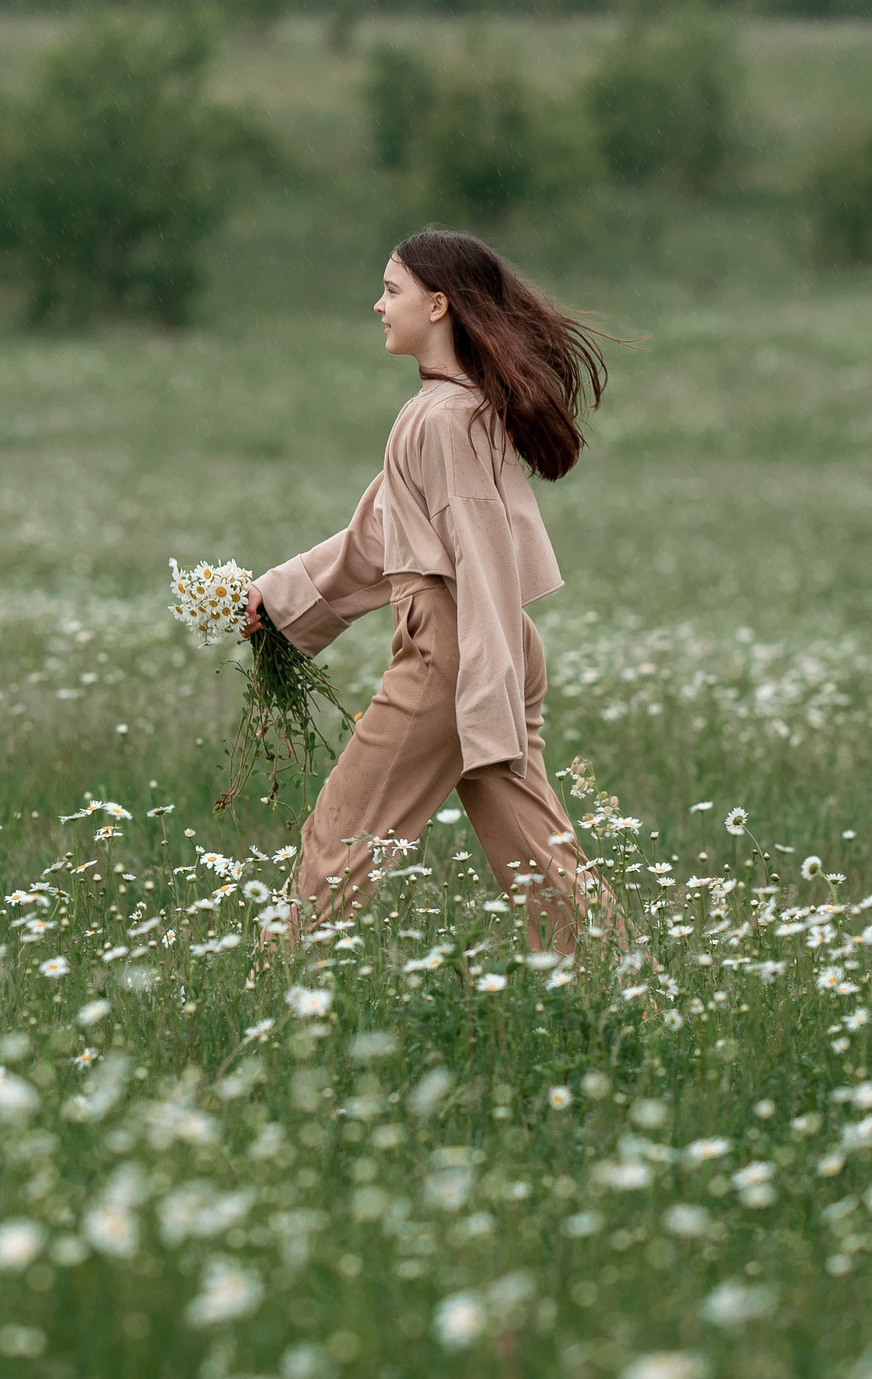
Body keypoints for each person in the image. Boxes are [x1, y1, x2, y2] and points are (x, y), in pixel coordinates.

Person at [245, 230, 616, 953]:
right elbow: (378, 537)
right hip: (477, 645)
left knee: (341, 837)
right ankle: (621, 991)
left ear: (439, 305)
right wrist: (274, 599)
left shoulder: (448, 418)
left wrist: (481, 687)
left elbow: (483, 559)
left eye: (391, 291)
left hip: (457, 653)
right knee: (537, 854)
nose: (377, 306)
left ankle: (274, 994)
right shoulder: (441, 410)